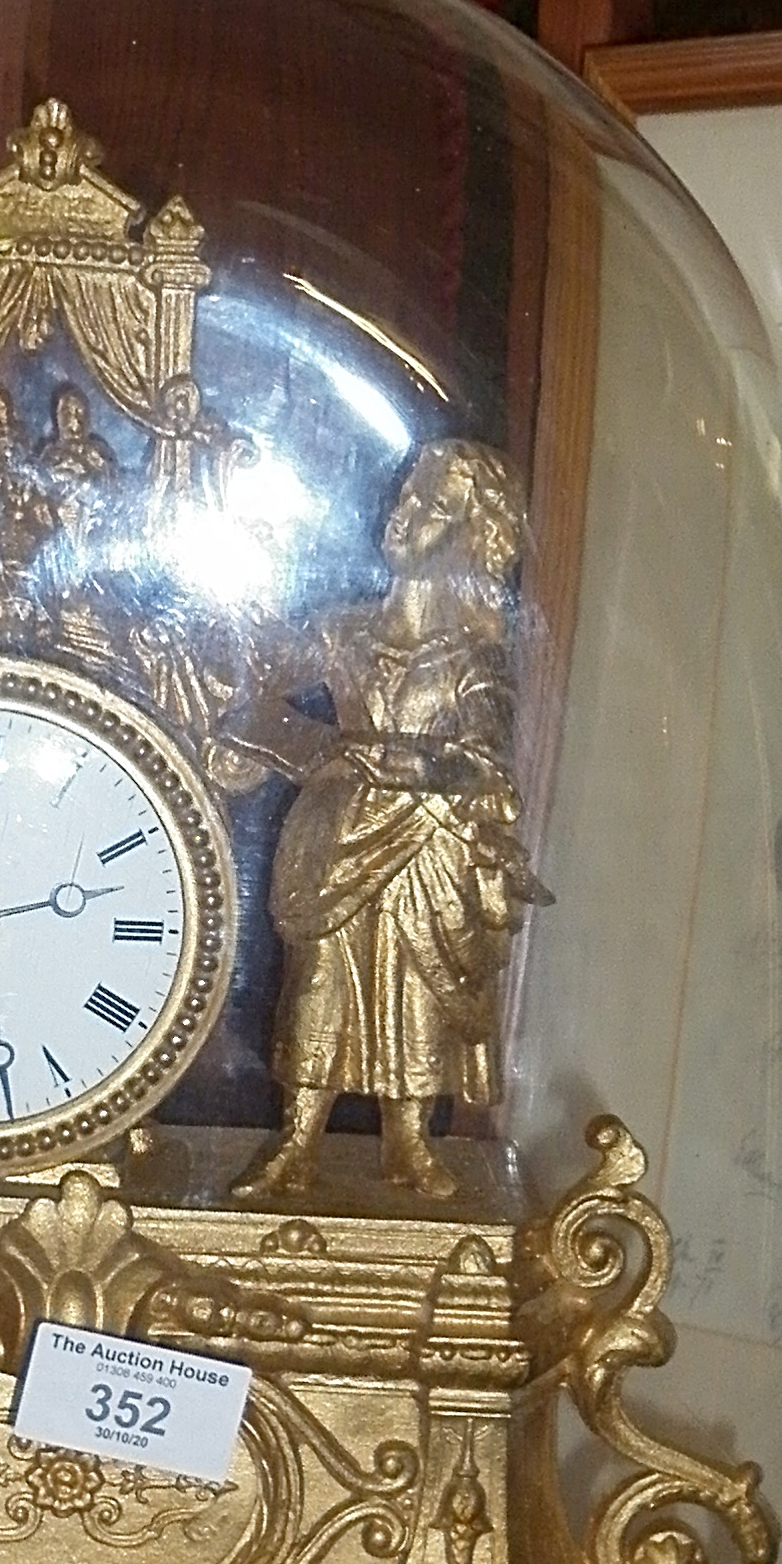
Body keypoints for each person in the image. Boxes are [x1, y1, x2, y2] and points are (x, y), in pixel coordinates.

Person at [232, 438, 545, 1203]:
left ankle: (407, 1142)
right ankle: (296, 1141)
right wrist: (322, 748)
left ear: (469, 537)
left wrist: (415, 767)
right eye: (408, 494)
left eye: (435, 507)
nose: (407, 514)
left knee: (414, 988)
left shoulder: (469, 658)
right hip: (335, 837)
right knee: (320, 985)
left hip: (425, 847)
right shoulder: (341, 632)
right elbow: (248, 696)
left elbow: (488, 756)